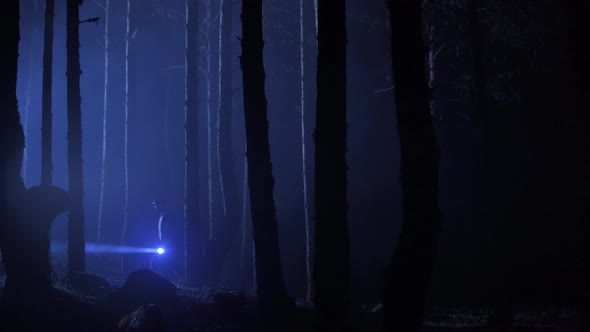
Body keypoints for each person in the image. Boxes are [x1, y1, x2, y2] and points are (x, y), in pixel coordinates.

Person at [150, 199, 182, 281]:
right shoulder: (161, 217)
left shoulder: (169, 216)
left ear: (162, 205)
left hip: (169, 246)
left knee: (161, 263)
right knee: (160, 263)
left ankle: (176, 279)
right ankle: (172, 279)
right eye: (154, 206)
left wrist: (170, 244)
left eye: (156, 206)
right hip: (164, 245)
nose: (155, 208)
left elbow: (173, 231)